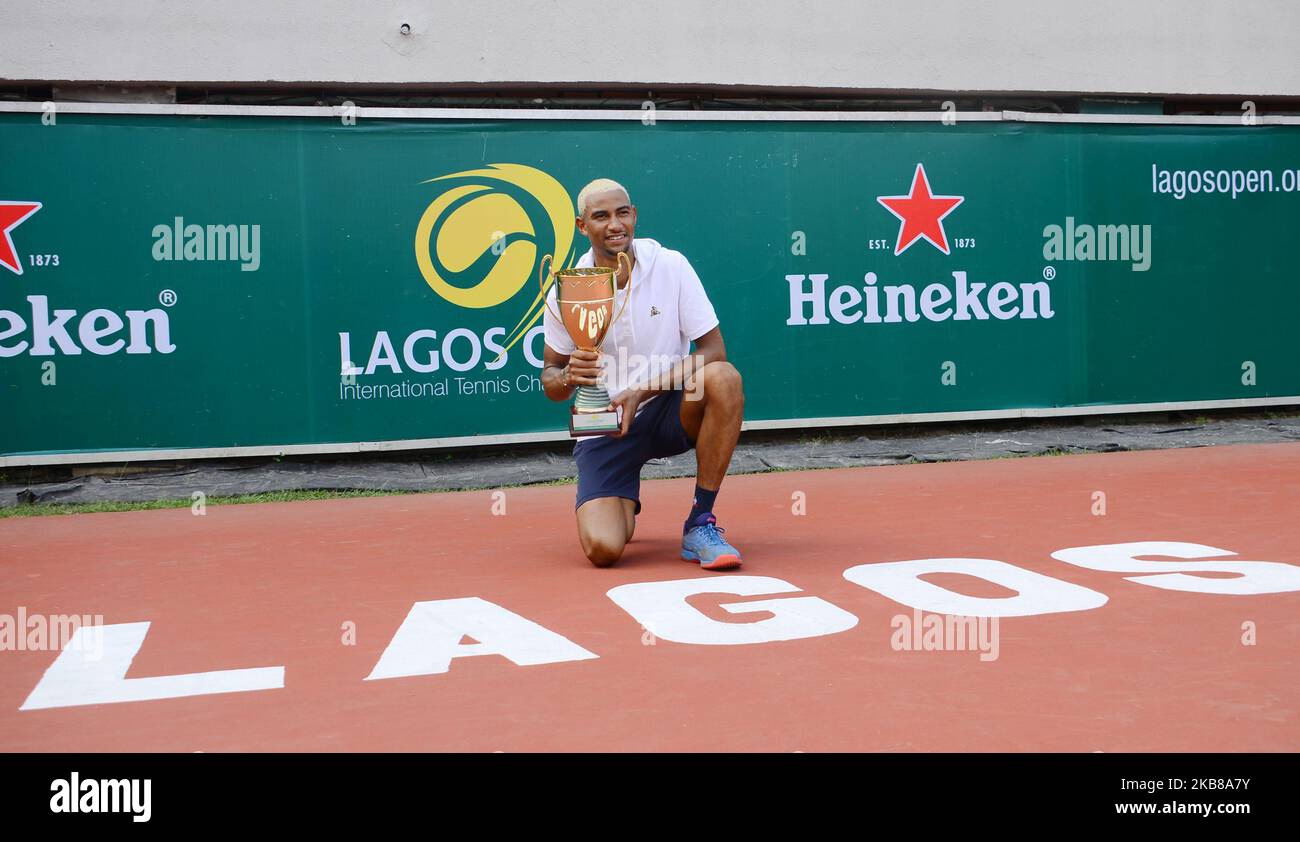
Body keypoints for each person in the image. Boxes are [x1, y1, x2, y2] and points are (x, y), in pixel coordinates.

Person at [541, 178, 745, 571]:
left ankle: (700, 521)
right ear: (582, 226)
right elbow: (551, 380)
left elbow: (714, 351)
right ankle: (620, 499)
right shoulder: (569, 289)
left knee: (724, 377)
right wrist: (568, 377)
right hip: (605, 424)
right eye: (601, 216)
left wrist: (641, 390)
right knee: (604, 550)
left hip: (670, 407)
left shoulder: (671, 265)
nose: (615, 224)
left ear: (633, 216)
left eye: (622, 213)